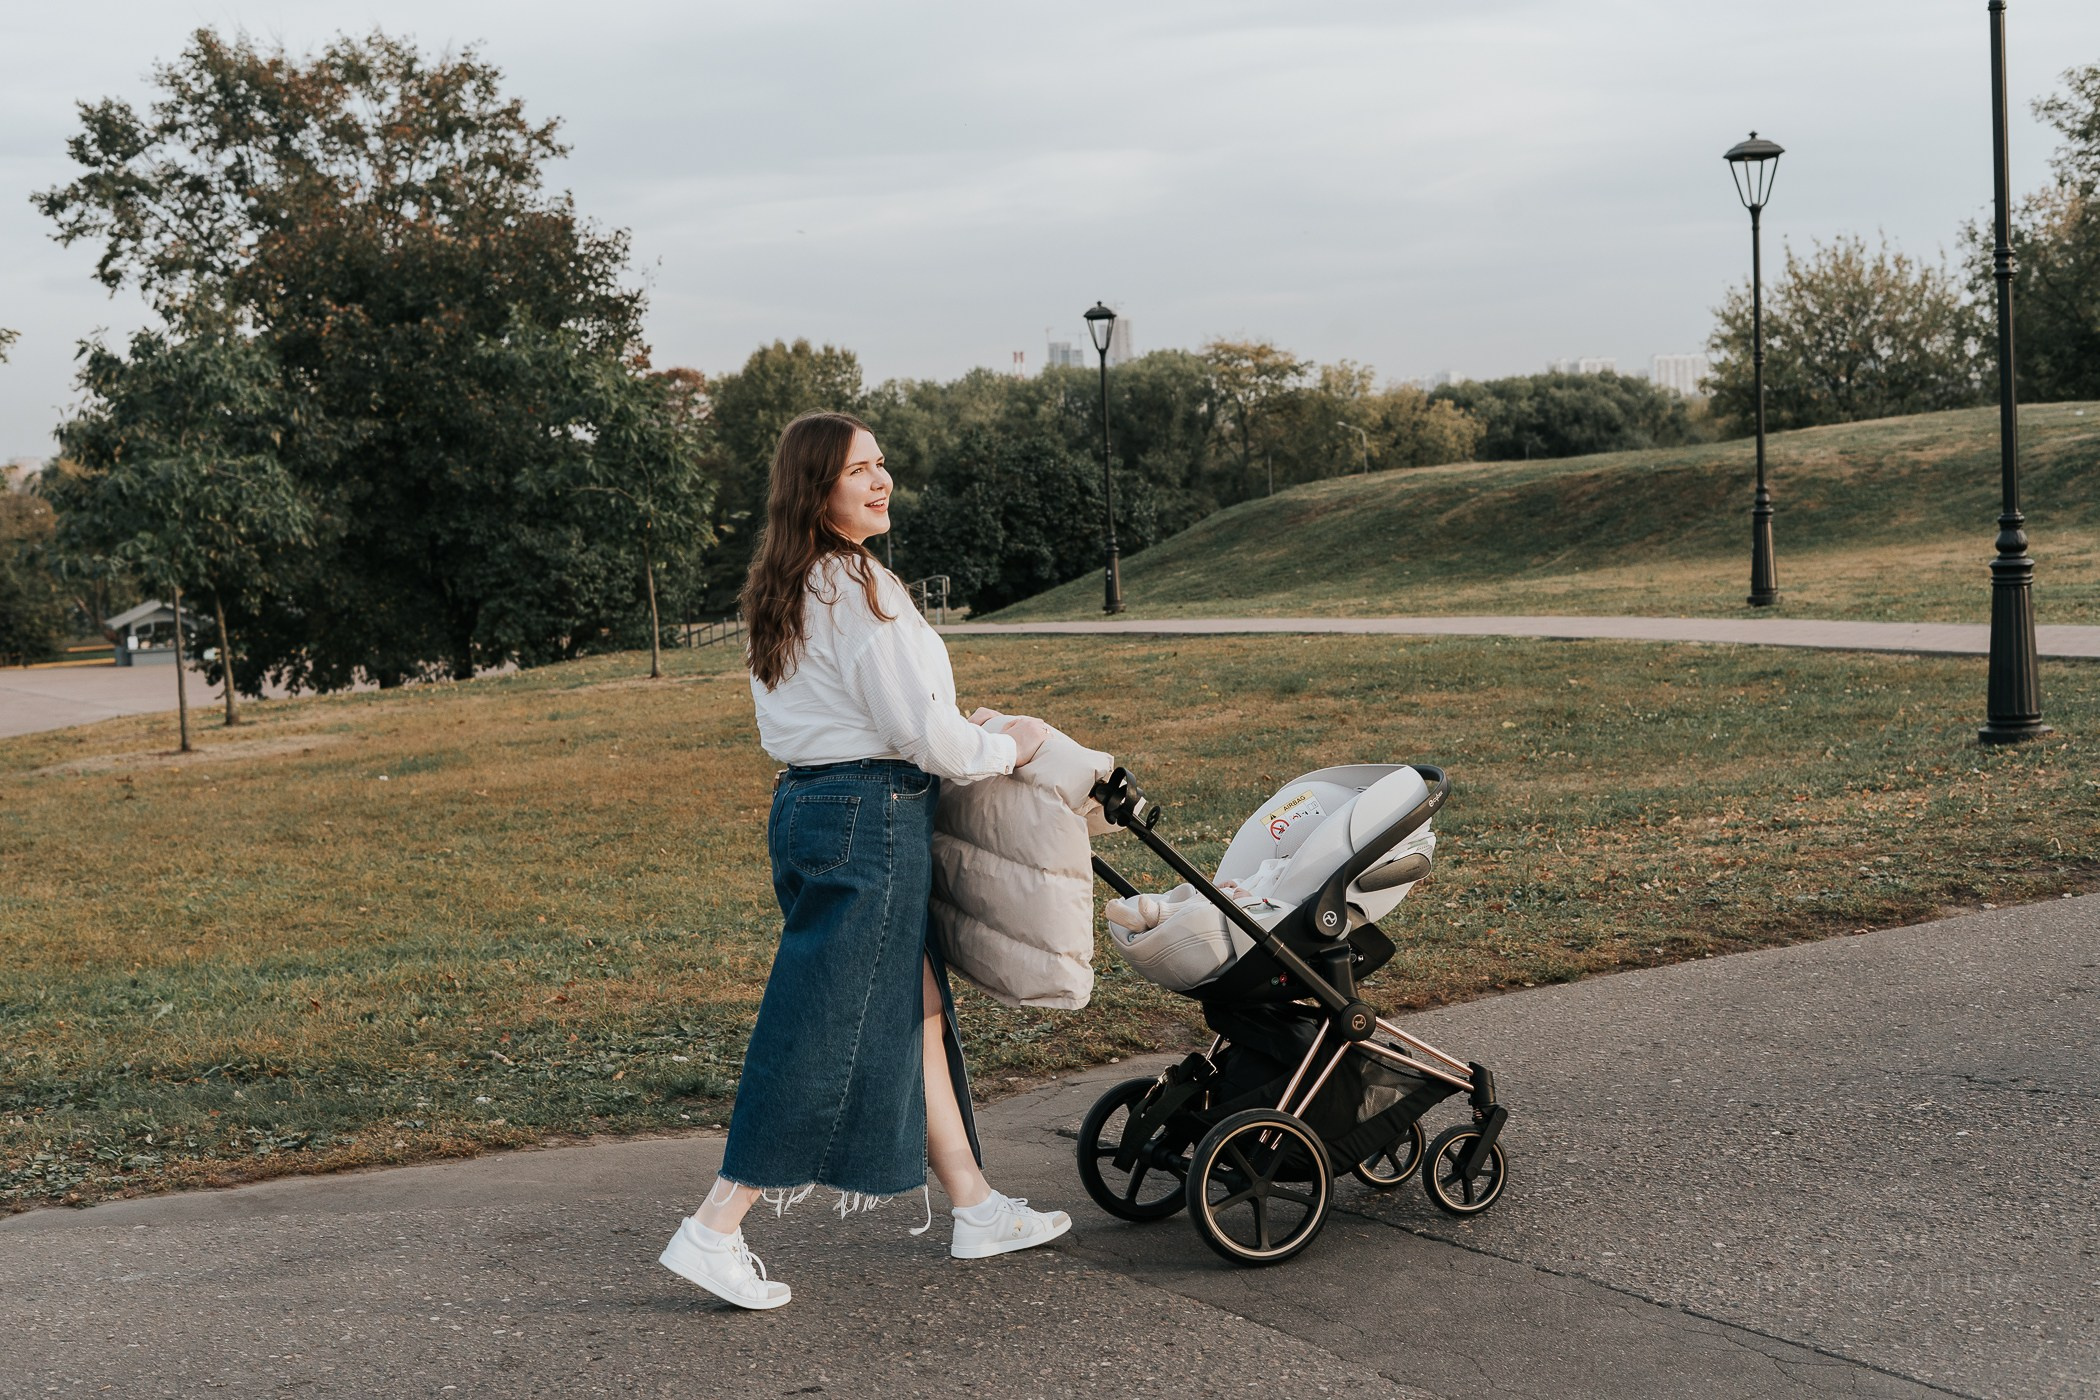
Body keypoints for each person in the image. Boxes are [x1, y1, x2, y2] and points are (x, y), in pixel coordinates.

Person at [658, 410, 1072, 1310]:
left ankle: (975, 1204)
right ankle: (713, 1227)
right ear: (820, 489)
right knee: (822, 1027)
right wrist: (1013, 744)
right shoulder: (860, 586)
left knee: (911, 1007)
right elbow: (926, 737)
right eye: (860, 471)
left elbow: (869, 711)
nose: (881, 482)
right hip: (870, 816)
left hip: (811, 809)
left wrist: (965, 726)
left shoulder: (790, 583)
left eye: (883, 464)